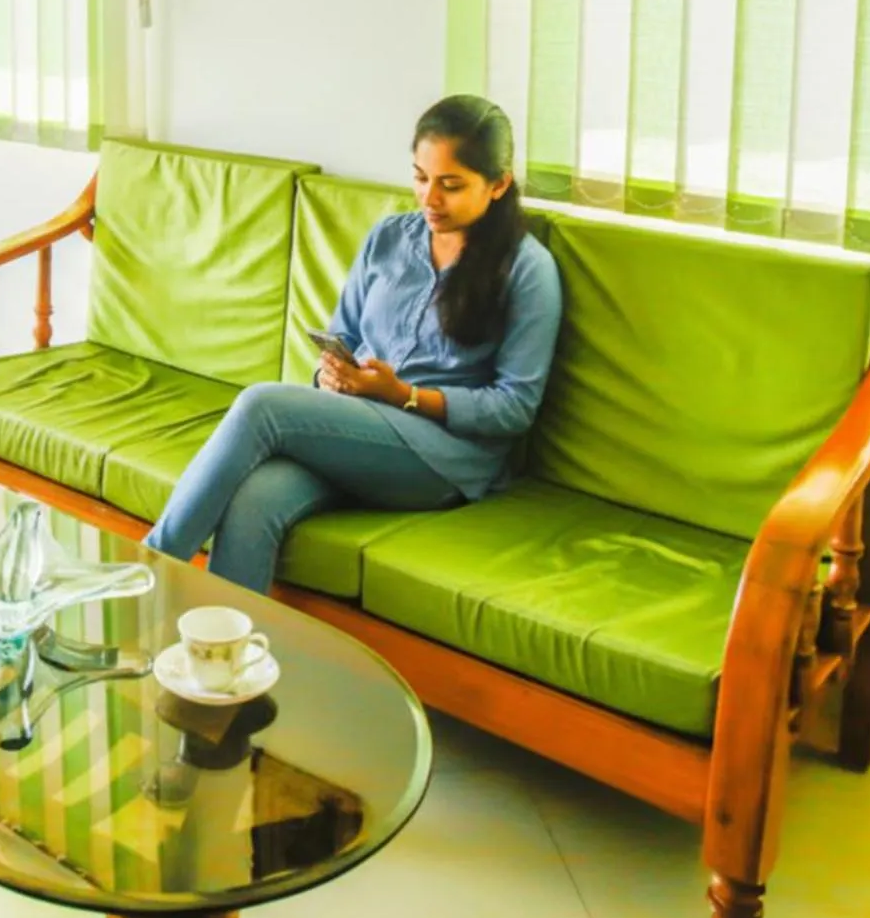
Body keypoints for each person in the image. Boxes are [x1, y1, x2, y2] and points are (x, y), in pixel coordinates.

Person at [141, 96, 564, 594]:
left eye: (451, 185)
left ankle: (144, 579)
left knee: (261, 405)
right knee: (254, 499)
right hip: (356, 428)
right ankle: (227, 662)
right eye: (420, 177)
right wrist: (332, 375)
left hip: (441, 459)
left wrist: (400, 394)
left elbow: (514, 408)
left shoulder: (528, 270)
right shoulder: (389, 236)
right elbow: (343, 332)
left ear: (498, 184)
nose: (430, 198)